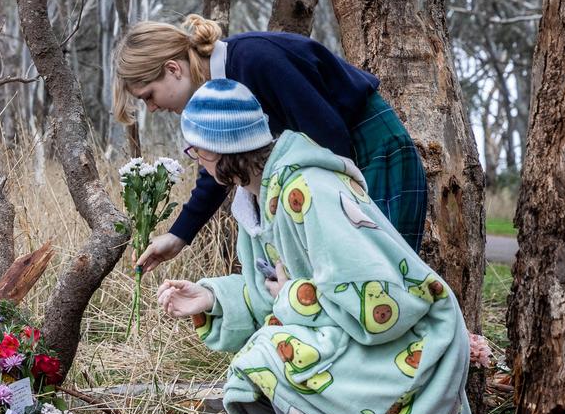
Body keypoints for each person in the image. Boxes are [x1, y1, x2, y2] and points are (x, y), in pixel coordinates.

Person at [158, 80, 485, 414]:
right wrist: (211, 297)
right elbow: (272, 292)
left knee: (264, 358)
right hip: (356, 344)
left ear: (219, 151)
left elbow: (380, 304)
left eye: (195, 151)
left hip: (407, 349)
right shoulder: (255, 204)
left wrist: (292, 295)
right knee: (251, 371)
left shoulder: (310, 189)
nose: (197, 162)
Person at [113, 14, 428, 265]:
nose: (152, 108)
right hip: (340, 160)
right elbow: (216, 166)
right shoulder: (219, 89)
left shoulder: (255, 60)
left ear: (172, 69)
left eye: (148, 96)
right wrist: (179, 235)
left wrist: (332, 211)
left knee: (385, 276)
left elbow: (328, 135)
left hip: (374, 150)